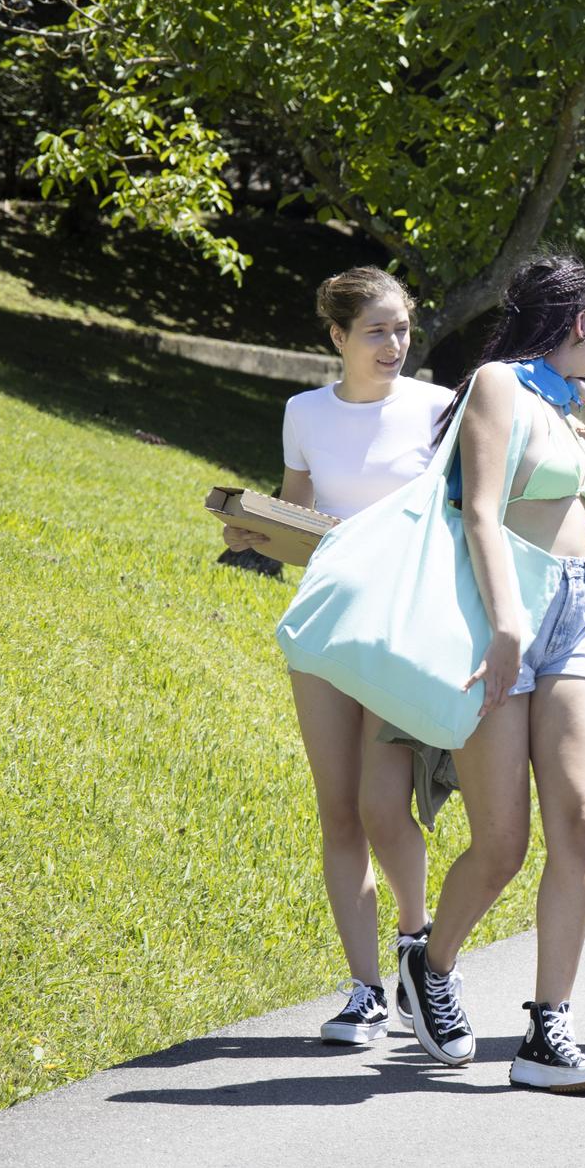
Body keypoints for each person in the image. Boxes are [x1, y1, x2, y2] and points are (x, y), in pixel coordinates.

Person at [394, 255, 585, 1090]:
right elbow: (479, 508)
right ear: (579, 322)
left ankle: (549, 1029)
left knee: (579, 818)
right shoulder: (497, 386)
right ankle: (430, 964)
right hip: (501, 611)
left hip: (575, 613)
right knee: (504, 841)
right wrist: (507, 618)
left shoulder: (562, 403)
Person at [223, 266, 450, 1047]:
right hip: (323, 623)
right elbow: (303, 524)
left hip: (400, 628)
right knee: (338, 807)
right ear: (338, 337)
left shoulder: (437, 407)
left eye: (402, 328)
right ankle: (364, 992)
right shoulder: (304, 412)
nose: (395, 344)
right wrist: (257, 531)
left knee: (386, 804)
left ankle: (420, 958)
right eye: (378, 330)